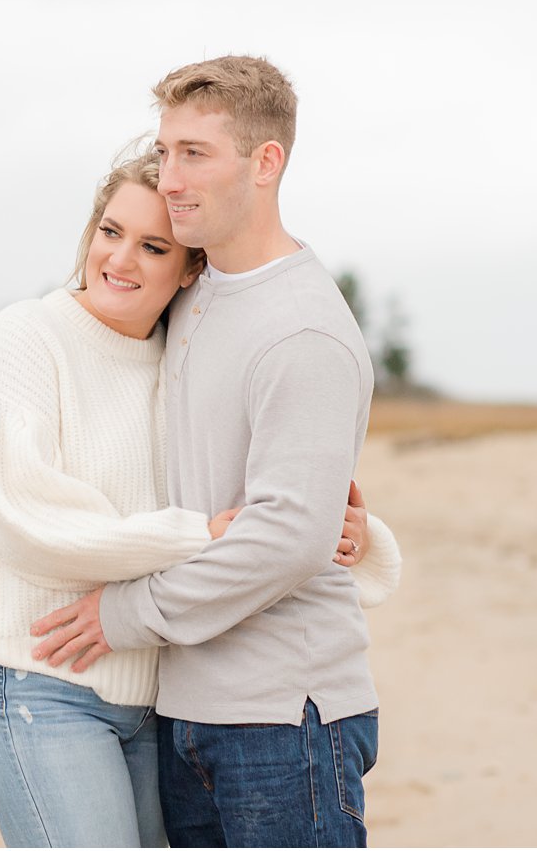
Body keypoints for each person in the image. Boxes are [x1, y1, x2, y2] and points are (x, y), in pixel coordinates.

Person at [0, 151, 401, 848]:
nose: (119, 259)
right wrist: (200, 538)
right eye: (109, 230)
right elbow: (25, 518)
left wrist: (351, 533)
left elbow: (237, 498)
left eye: (153, 246)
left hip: (156, 695)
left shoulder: (180, 358)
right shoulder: (27, 338)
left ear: (190, 270)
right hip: (39, 677)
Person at [30, 56, 387, 847]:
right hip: (187, 711)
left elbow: (287, 539)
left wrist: (125, 614)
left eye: (196, 153)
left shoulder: (304, 329)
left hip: (283, 715)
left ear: (267, 163)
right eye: (166, 151)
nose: (172, 177)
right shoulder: (195, 292)